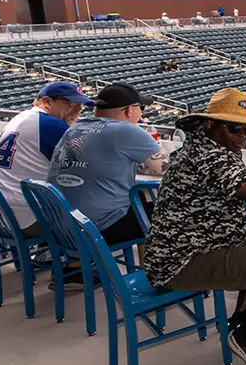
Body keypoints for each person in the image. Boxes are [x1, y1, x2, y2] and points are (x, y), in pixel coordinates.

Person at [143, 89, 246, 365]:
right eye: (234, 128)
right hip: (183, 260)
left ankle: (244, 320)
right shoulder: (208, 155)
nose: (241, 136)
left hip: (205, 242)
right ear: (210, 124)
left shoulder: (209, 148)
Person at [49, 84, 167, 250]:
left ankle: (75, 265)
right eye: (141, 108)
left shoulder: (75, 127)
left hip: (61, 228)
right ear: (129, 110)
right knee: (164, 211)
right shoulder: (127, 130)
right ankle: (153, 270)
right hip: (94, 229)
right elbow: (166, 167)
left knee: (140, 200)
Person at [0, 82, 91, 238]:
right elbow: (89, 163)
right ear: (47, 102)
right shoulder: (50, 124)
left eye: (80, 105)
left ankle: (49, 255)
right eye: (71, 103)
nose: (78, 110)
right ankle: (71, 259)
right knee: (99, 213)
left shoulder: (22, 117)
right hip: (25, 218)